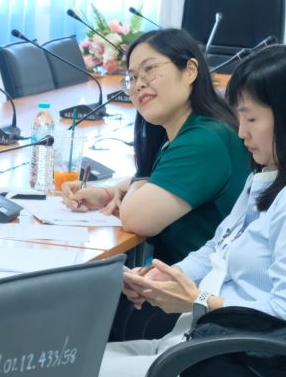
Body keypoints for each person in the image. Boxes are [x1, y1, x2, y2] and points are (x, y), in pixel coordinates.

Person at [96, 44, 286, 377]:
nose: (241, 132)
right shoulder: (268, 176)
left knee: (62, 373)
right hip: (199, 342)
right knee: (71, 362)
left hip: (232, 360)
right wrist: (165, 278)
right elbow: (218, 248)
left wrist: (197, 300)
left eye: (252, 119)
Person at [63, 29, 251, 266]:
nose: (139, 84)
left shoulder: (204, 140)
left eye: (149, 69)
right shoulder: (187, 130)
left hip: (201, 286)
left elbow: (136, 219)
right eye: (132, 77)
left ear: (190, 71)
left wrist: (139, 181)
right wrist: (107, 194)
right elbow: (160, 179)